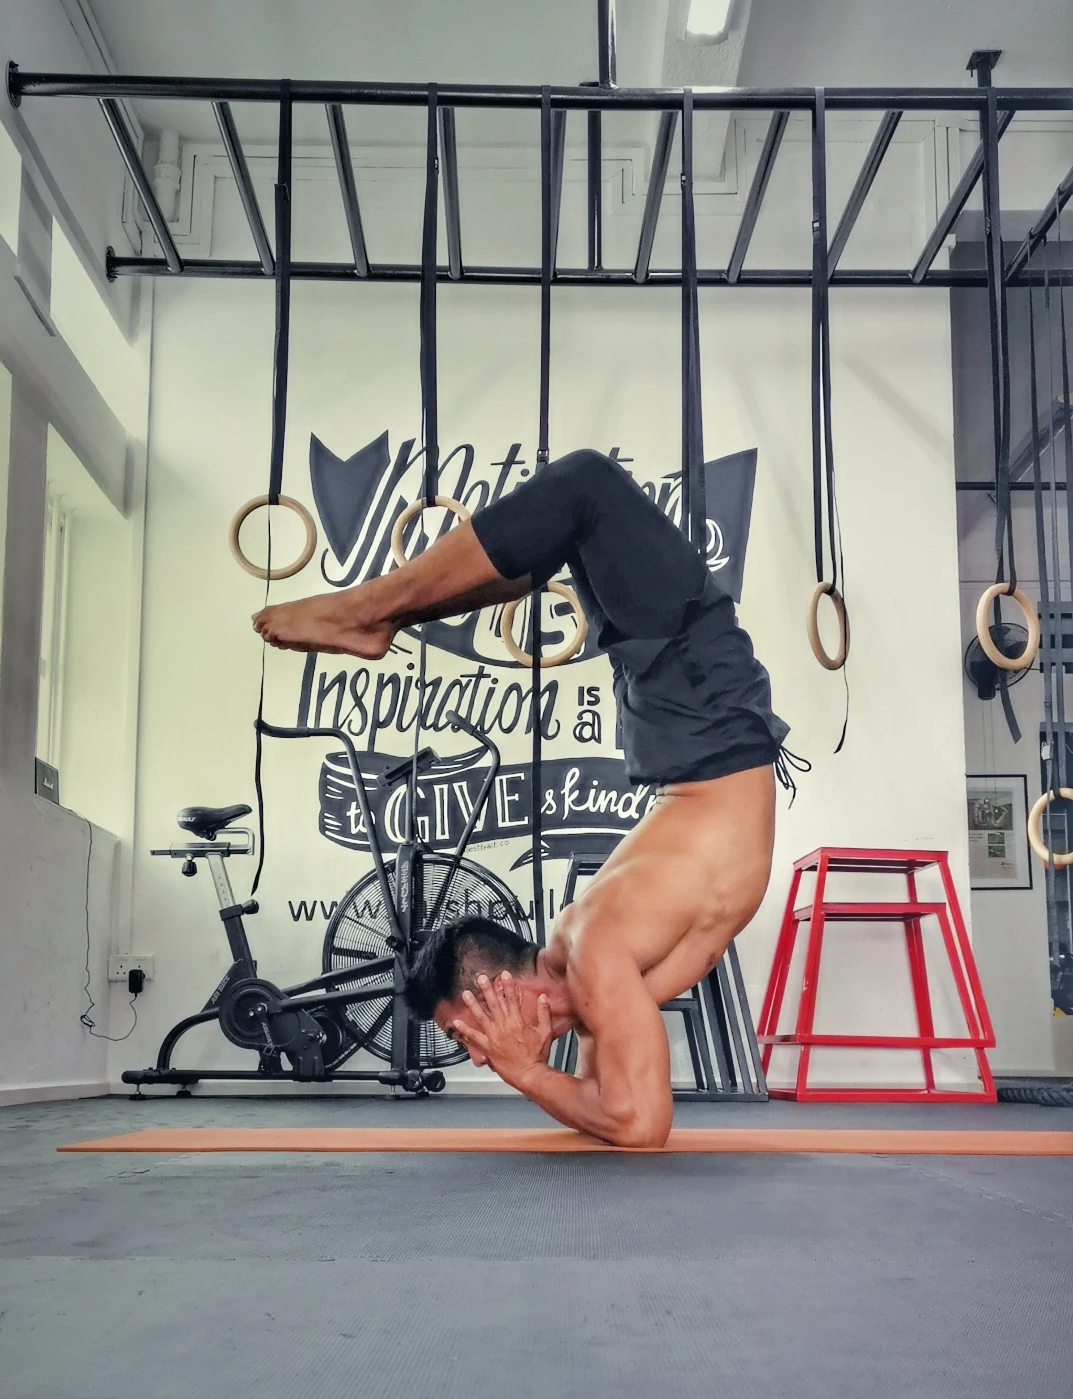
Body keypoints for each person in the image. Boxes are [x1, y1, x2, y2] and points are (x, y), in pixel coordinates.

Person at [254, 449, 790, 1147]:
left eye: (466, 1033)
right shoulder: (592, 973)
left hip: (699, 716)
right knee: (574, 514)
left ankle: (369, 610)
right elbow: (620, 1110)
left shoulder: (593, 953)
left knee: (585, 489)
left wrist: (525, 1072)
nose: (477, 1054)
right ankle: (379, 620)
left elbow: (636, 1124)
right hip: (692, 726)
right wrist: (534, 1070)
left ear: (493, 993)